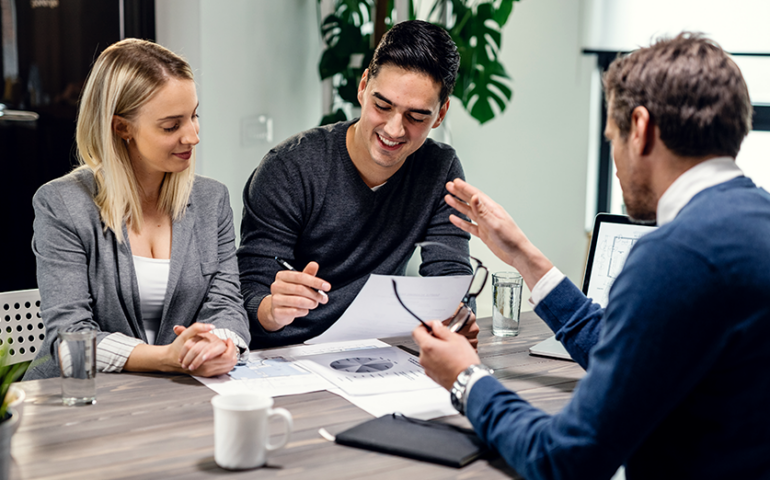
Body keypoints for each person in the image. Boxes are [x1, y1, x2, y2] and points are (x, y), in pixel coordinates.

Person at [413, 33, 770, 479]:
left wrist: (466, 379)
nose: (616, 160)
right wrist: (524, 255)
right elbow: (634, 351)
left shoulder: (676, 254)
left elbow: (566, 459)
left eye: (612, 138)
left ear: (639, 128)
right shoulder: (752, 223)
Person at [238, 20, 478, 348]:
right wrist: (270, 309)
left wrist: (456, 318)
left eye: (416, 117)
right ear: (363, 86)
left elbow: (449, 277)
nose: (394, 130)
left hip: (376, 351)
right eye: (382, 106)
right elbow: (249, 289)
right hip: (287, 354)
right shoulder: (289, 169)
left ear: (440, 114)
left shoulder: (439, 169)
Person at [24, 39, 250, 380]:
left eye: (194, 116)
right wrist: (167, 358)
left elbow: (227, 305)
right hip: (79, 400)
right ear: (121, 127)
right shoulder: (62, 204)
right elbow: (68, 339)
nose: (192, 136)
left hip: (175, 395)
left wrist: (218, 346)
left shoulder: (211, 199)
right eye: (171, 126)